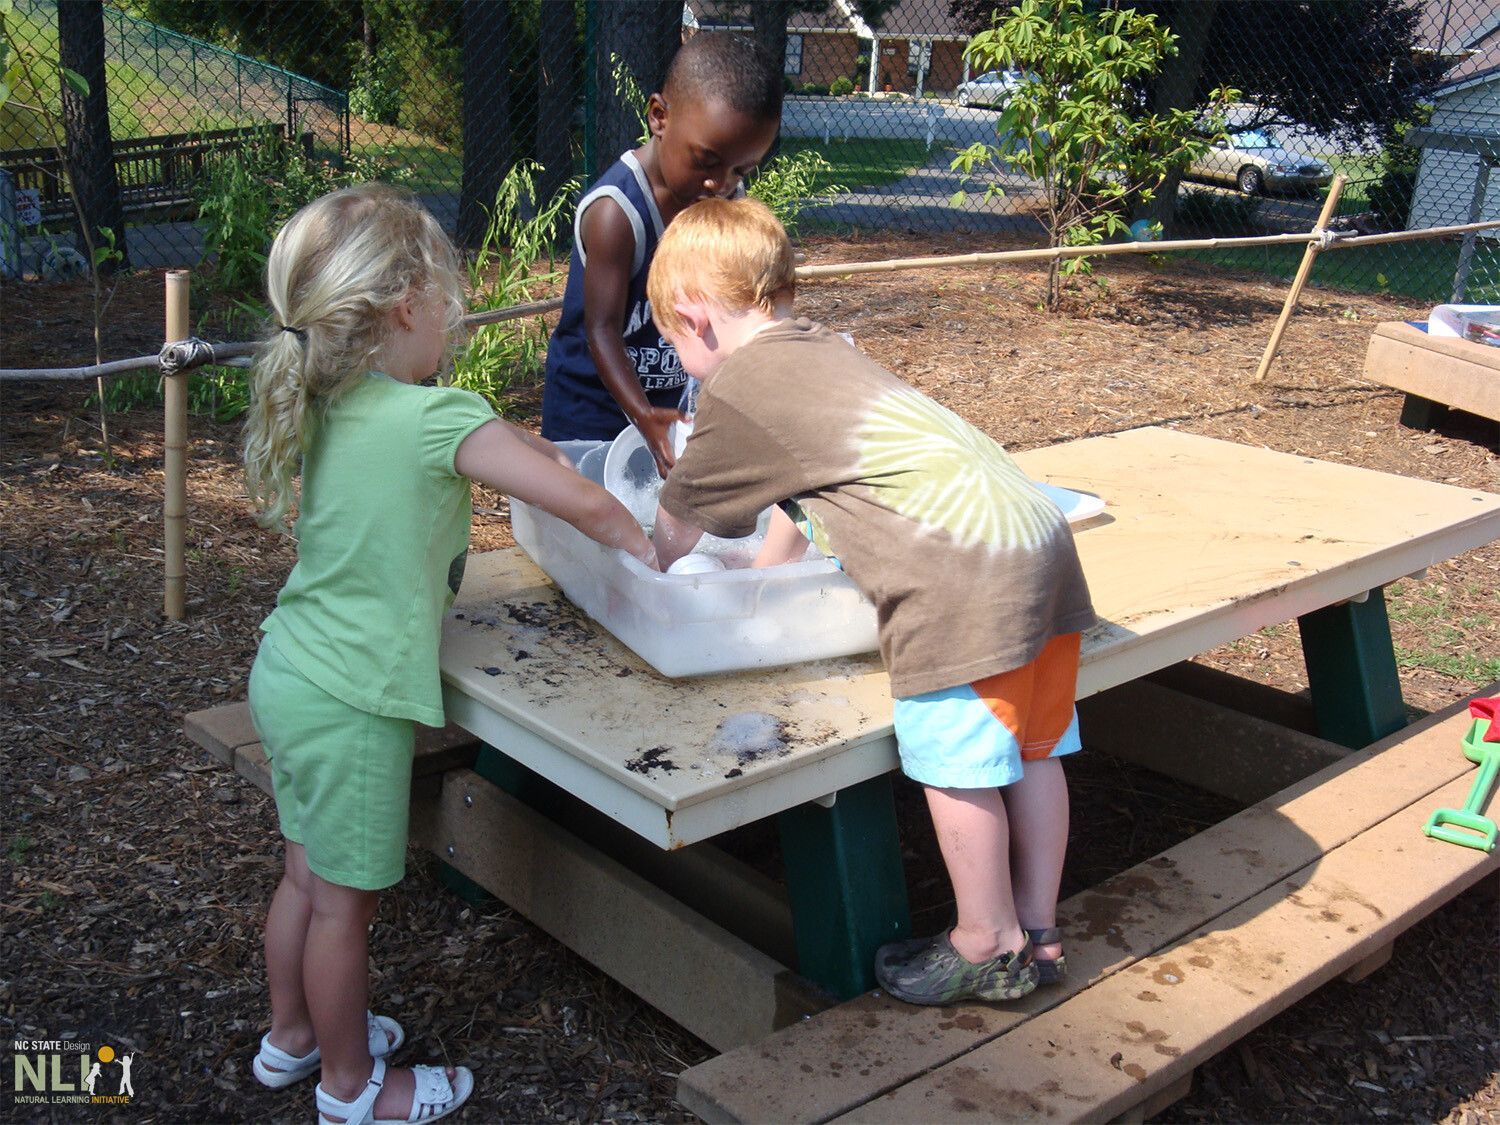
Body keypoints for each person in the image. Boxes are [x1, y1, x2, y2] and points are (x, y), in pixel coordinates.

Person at [242, 183, 655, 1123]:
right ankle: (351, 1089)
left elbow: (518, 443)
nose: (453, 325)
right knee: (346, 906)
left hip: (291, 671)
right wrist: (650, 545)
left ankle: (292, 1037)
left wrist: (561, 455)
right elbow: (578, 499)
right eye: (447, 305)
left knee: (307, 874)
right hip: (353, 702)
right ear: (406, 307)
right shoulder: (434, 417)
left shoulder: (334, 395)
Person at [646, 198, 1096, 1005]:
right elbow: (802, 498)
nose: (683, 360)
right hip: (1039, 541)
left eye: (675, 343)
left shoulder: (739, 387)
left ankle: (986, 940)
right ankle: (1040, 927)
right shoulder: (823, 350)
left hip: (962, 581)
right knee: (1034, 749)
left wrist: (645, 560)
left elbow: (677, 523)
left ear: (693, 317)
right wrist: (761, 576)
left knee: (957, 762)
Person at [540, 32, 782, 477]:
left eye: (740, 169)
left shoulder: (721, 206)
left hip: (668, 407)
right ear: (659, 117)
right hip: (591, 409)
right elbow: (601, 329)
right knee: (593, 523)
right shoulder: (617, 213)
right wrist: (642, 415)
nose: (721, 183)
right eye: (707, 160)